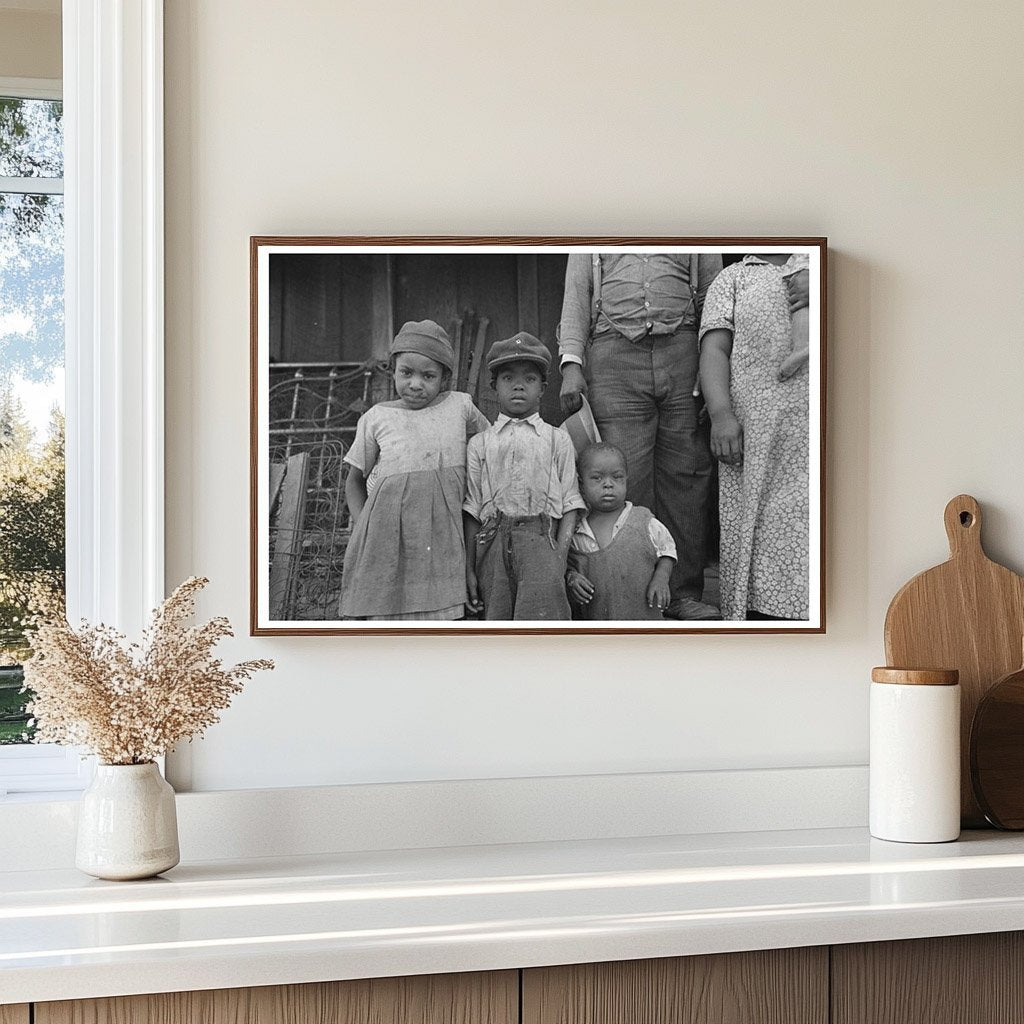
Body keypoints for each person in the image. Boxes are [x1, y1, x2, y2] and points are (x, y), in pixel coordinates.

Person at [558, 252, 723, 620]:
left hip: (684, 354)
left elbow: (713, 294)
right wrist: (572, 365)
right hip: (613, 354)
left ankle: (680, 594)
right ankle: (630, 595)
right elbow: (576, 294)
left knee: (687, 476)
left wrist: (710, 365)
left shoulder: (695, 221)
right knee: (620, 479)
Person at [340, 320, 489, 620]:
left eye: (428, 376)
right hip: (386, 541)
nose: (416, 384)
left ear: (445, 378)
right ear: (393, 370)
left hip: (443, 538)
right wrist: (363, 528)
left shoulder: (460, 407)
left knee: (441, 620)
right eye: (406, 373)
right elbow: (354, 481)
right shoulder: (376, 418)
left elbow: (489, 446)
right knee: (388, 620)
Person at [697, 254, 811, 621]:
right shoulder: (734, 278)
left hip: (811, 425)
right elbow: (714, 349)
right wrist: (720, 414)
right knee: (759, 524)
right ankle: (760, 616)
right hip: (754, 431)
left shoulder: (820, 264)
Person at [464, 332, 586, 620]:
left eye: (529, 379)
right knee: (498, 630)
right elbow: (471, 509)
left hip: (542, 542)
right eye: (508, 378)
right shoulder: (481, 443)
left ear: (543, 388)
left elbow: (571, 503)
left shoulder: (557, 439)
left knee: (543, 630)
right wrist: (470, 568)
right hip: (491, 544)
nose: (519, 386)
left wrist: (559, 558)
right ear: (494, 386)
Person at [567, 442, 677, 621]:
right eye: (597, 478)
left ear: (627, 479)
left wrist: (661, 578)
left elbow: (667, 550)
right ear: (581, 483)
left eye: (617, 477)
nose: (608, 485)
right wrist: (572, 579)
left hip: (644, 624)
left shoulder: (643, 521)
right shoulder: (577, 531)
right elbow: (569, 567)